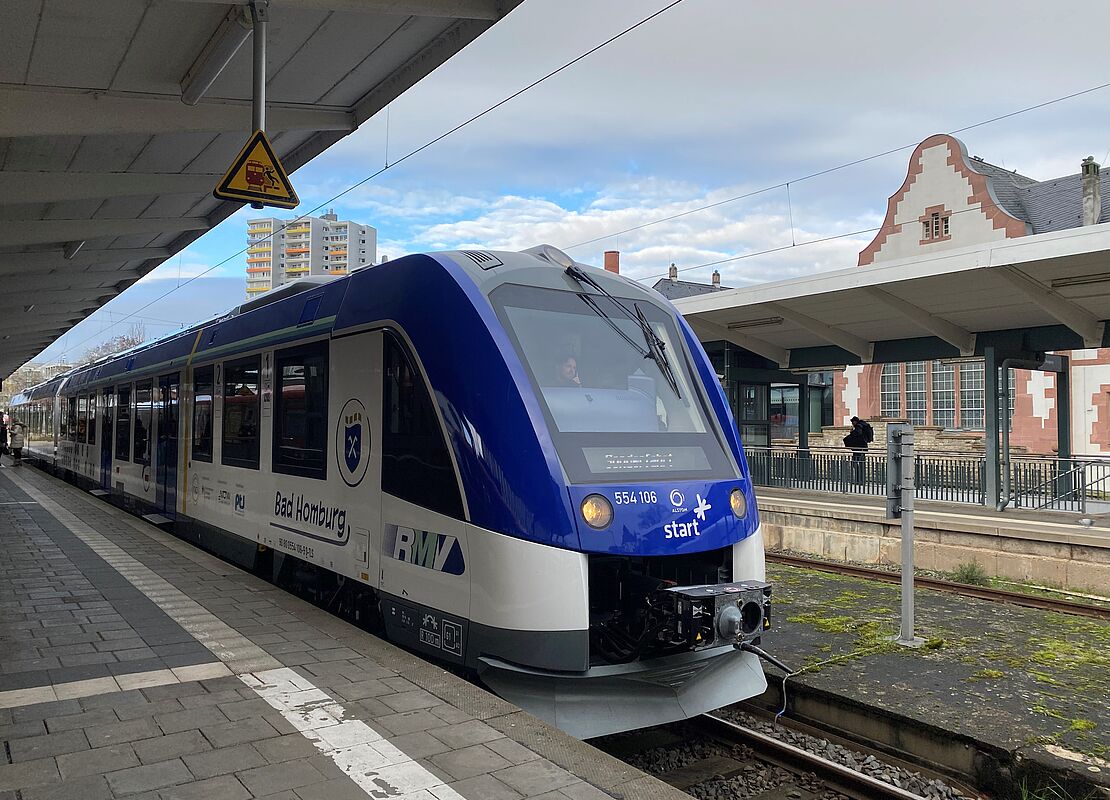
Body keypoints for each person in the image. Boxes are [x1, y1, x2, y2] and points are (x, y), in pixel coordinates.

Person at [843, 416, 873, 483]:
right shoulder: (863, 425)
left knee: (855, 464)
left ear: (854, 421)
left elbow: (858, 433)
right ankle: (861, 480)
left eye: (852, 422)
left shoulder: (858, 426)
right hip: (863, 448)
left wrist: (852, 432)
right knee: (861, 464)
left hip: (858, 448)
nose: (852, 424)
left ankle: (859, 480)